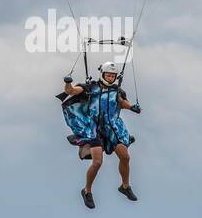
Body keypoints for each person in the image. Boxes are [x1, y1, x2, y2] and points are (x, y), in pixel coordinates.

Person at [58, 61, 141, 208]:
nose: (110, 78)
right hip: (94, 128)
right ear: (102, 74)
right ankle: (87, 191)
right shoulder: (90, 88)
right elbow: (71, 91)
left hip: (112, 127)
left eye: (112, 76)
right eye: (108, 75)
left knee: (125, 156)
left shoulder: (117, 91)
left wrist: (132, 107)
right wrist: (67, 83)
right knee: (97, 162)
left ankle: (125, 186)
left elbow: (122, 103)